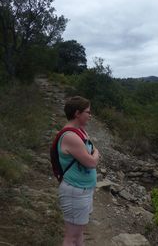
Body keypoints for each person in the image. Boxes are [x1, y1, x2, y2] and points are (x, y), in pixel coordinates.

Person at [57, 96, 100, 246]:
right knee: (71, 237)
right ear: (77, 113)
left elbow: (92, 150)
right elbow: (91, 162)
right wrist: (96, 154)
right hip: (75, 191)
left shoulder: (81, 132)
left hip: (83, 190)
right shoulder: (71, 136)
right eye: (87, 112)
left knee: (79, 232)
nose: (90, 115)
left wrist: (94, 153)